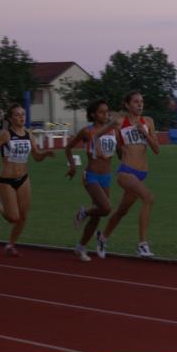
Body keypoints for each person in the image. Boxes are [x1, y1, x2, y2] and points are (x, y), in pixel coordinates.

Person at [93, 91, 160, 258]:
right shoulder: (119, 122)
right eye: (136, 101)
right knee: (148, 198)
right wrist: (99, 151)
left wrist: (145, 133)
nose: (140, 104)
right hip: (126, 172)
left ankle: (103, 238)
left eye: (141, 101)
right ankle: (142, 245)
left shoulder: (148, 122)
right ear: (127, 104)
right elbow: (97, 135)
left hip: (141, 174)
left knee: (122, 211)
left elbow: (156, 149)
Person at [0, 103, 55, 256]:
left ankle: (10, 245)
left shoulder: (29, 134)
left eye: (23, 114)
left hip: (23, 179)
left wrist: (45, 153)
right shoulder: (6, 135)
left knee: (23, 217)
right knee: (13, 218)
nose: (21, 117)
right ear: (10, 118)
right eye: (17, 115)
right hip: (7, 180)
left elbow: (36, 156)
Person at [64, 99, 118, 262]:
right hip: (91, 175)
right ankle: (83, 212)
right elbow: (68, 147)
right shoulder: (87, 131)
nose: (105, 114)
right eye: (101, 112)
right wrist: (72, 166)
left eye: (107, 111)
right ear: (93, 114)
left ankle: (81, 247)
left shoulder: (112, 131)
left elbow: (120, 151)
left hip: (106, 177)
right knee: (106, 208)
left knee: (98, 216)